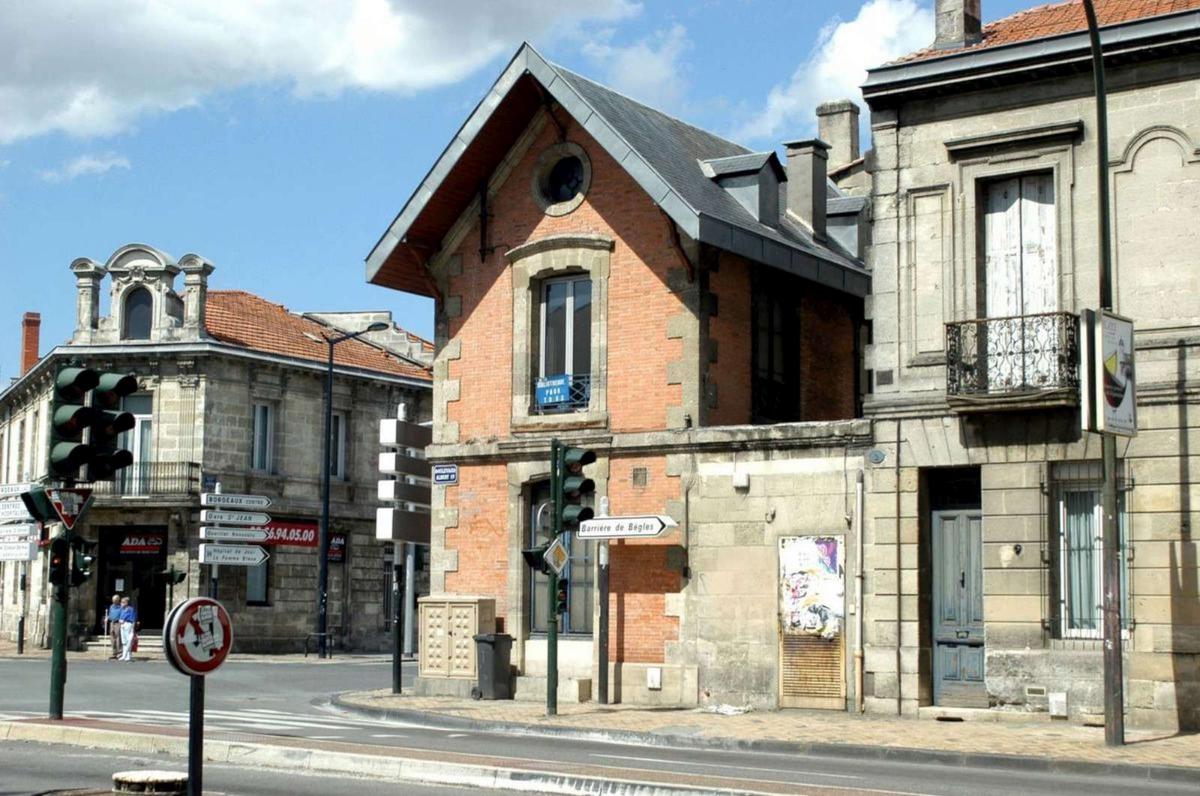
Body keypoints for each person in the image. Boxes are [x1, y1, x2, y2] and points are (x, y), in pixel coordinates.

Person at [118, 597, 137, 662]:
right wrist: (120, 620)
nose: (121, 604)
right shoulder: (122, 609)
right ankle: (124, 655)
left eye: (123, 602)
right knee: (124, 641)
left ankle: (128, 655)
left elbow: (133, 618)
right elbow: (120, 616)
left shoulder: (130, 609)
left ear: (126, 603)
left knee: (128, 640)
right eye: (121, 602)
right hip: (122, 625)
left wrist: (133, 627)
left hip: (128, 624)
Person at [106, 594, 123, 660]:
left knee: (118, 637)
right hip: (112, 622)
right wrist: (107, 618)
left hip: (118, 623)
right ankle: (114, 653)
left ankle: (119, 653)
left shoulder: (121, 607)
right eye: (113, 600)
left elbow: (122, 614)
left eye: (115, 600)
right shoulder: (111, 606)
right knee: (112, 638)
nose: (114, 601)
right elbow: (110, 614)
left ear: (118, 600)